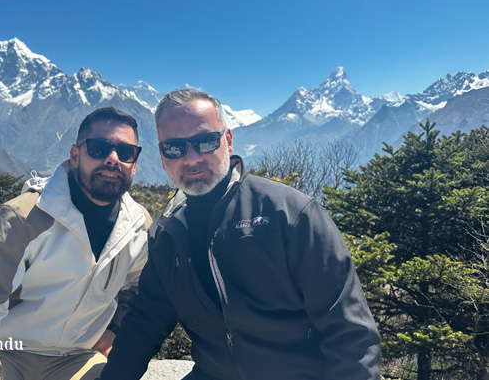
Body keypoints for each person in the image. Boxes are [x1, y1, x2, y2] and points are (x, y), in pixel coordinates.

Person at [98, 89, 381, 380]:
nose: (191, 157)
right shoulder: (167, 234)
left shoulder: (290, 215)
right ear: (161, 155)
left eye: (205, 141)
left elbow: (351, 334)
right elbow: (145, 322)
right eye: (174, 148)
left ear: (228, 141)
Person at [0, 107, 151, 380]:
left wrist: (115, 331)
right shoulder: (24, 217)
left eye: (125, 152)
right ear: (75, 155)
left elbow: (140, 292)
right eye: (99, 148)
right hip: (4, 354)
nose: (112, 159)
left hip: (78, 358)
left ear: (134, 163)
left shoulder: (138, 226)